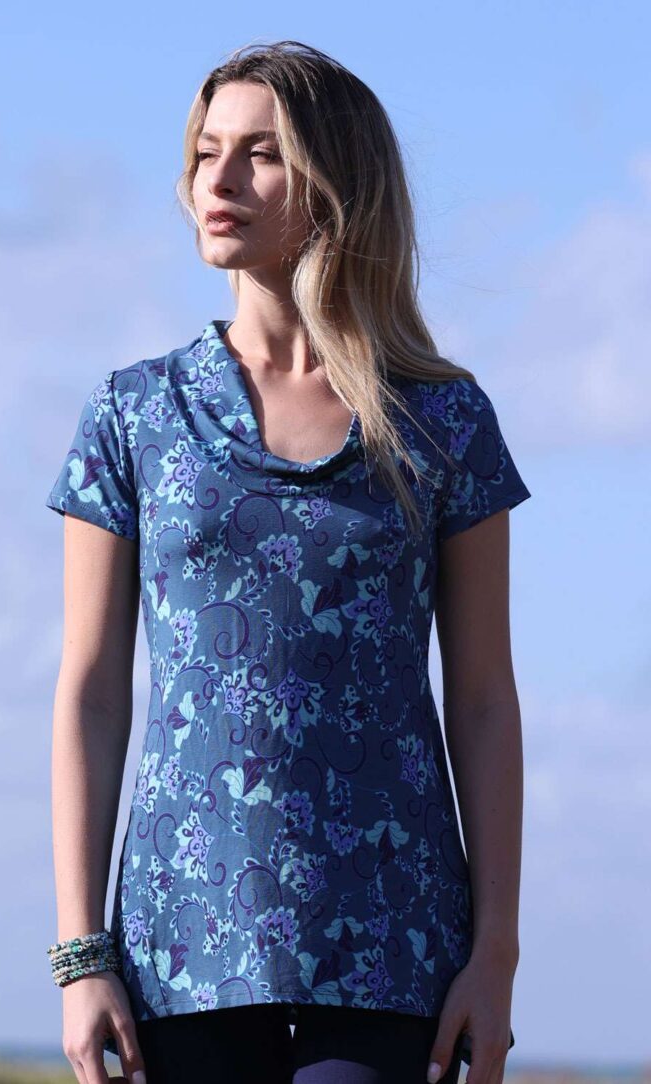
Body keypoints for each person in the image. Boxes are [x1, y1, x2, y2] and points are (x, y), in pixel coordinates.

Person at [44, 40, 528, 1084]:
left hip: (397, 943)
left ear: (337, 185)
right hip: (178, 954)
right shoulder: (134, 414)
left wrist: (494, 955)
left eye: (260, 154)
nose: (217, 180)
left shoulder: (442, 420)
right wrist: (82, 955)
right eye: (205, 152)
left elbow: (484, 699)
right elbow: (91, 692)